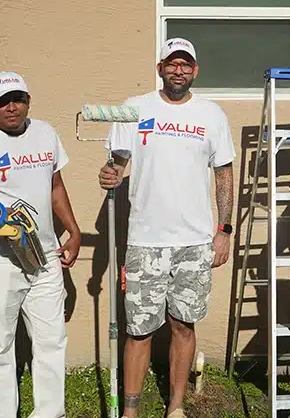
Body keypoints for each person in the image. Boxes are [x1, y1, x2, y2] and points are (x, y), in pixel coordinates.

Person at [98, 37, 235, 418]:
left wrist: (224, 229)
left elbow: (224, 174)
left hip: (194, 242)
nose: (179, 70)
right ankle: (131, 411)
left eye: (186, 64)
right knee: (139, 331)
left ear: (196, 70)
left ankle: (175, 406)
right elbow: (118, 163)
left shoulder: (211, 115)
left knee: (183, 325)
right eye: (172, 64)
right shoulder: (135, 108)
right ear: (160, 68)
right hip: (145, 240)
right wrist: (109, 174)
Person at [0, 72, 81, 418]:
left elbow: (55, 185)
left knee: (51, 342)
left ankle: (49, 413)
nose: (11, 108)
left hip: (43, 257)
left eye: (18, 99)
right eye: (2, 103)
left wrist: (72, 230)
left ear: (29, 101)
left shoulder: (45, 133)